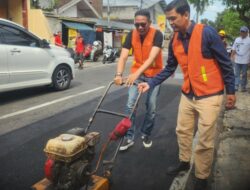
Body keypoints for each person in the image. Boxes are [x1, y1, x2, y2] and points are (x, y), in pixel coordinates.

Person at [138, 0, 236, 189]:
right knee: (182, 131)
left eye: (173, 18)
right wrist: (150, 83)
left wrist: (230, 92)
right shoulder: (174, 39)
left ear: (186, 15)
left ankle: (201, 176)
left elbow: (225, 63)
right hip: (188, 94)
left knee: (205, 141)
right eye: (168, 20)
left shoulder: (207, 33)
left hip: (210, 95)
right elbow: (169, 68)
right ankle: (184, 162)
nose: (171, 23)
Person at [114, 9, 164, 150]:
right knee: (130, 104)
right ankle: (129, 137)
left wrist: (136, 74)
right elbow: (123, 56)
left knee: (151, 106)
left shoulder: (157, 34)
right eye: (137, 25)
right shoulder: (131, 34)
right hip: (137, 73)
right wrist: (119, 74)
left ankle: (146, 133)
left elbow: (152, 58)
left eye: (143, 24)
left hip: (154, 75)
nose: (140, 27)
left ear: (149, 22)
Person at [231, 26, 250, 92]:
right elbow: (234, 48)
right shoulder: (237, 39)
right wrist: (232, 56)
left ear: (247, 32)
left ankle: (243, 87)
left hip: (245, 61)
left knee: (244, 75)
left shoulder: (249, 40)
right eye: (241, 31)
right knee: (236, 74)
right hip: (237, 60)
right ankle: (236, 86)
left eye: (243, 32)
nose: (242, 33)